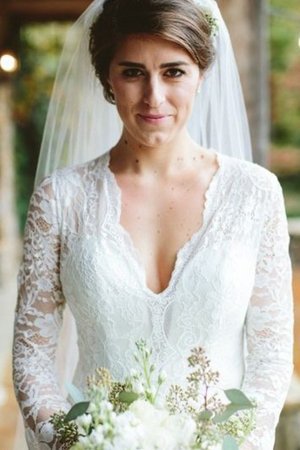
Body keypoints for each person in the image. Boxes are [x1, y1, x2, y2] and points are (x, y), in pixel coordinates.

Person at [12, 0, 293, 449]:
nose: (154, 97)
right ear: (107, 78)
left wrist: (224, 443)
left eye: (174, 72)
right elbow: (33, 358)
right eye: (132, 72)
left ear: (202, 73)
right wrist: (77, 441)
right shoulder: (59, 198)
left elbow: (272, 358)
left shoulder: (255, 194)